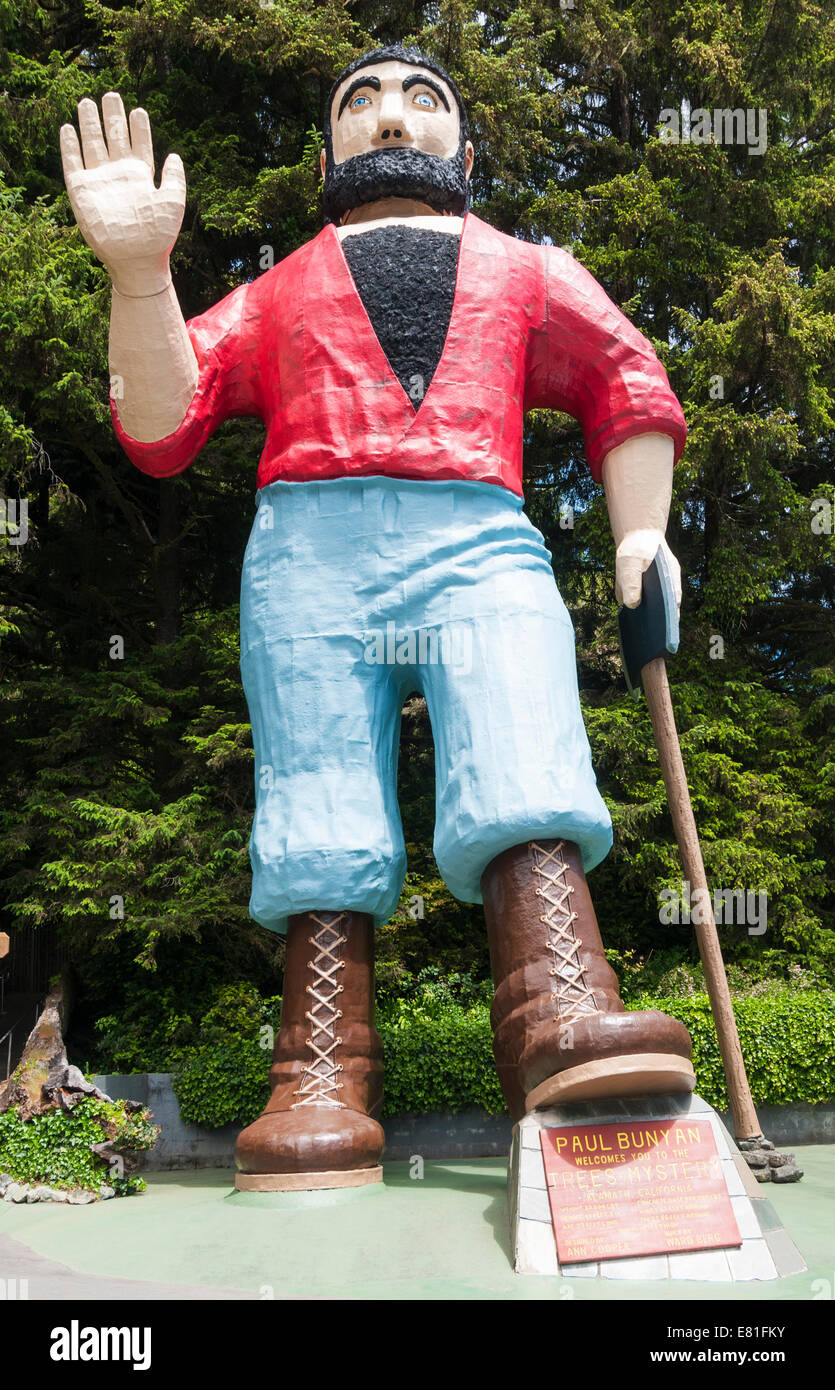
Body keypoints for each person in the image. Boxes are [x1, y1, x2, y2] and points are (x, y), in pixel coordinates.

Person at [60, 45, 695, 1192]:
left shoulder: (530, 270)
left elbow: (625, 378)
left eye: (422, 100)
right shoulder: (280, 287)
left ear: (462, 145)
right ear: (325, 153)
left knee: (520, 736)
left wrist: (637, 532)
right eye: (362, 103)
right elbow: (163, 423)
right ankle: (320, 1067)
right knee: (318, 788)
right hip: (309, 552)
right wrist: (140, 278)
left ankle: (557, 1003)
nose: (392, 120)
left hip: (481, 535)